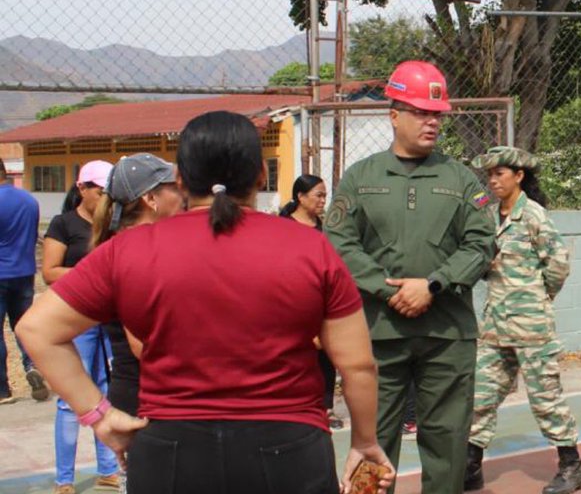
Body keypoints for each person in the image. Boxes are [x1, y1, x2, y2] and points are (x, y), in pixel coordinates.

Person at [17, 111, 393, 494]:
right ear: (262, 174)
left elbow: (36, 329)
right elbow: (358, 365)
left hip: (169, 450)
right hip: (288, 447)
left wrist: (98, 414)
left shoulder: (128, 250)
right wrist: (364, 441)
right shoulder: (311, 246)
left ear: (180, 178)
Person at [324, 60, 496, 490]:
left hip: (447, 334)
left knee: (447, 441)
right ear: (394, 113)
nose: (431, 122)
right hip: (378, 333)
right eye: (420, 112)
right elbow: (338, 243)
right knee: (371, 438)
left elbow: (481, 244)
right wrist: (387, 289)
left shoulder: (460, 179)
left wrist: (432, 285)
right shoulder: (361, 177)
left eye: (436, 114)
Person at [465, 146, 581, 494]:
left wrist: (535, 297)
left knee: (545, 399)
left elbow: (558, 264)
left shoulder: (533, 215)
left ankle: (572, 466)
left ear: (519, 176)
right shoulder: (489, 216)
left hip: (531, 327)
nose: (492, 180)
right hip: (495, 327)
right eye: (489, 174)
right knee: (479, 396)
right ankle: (471, 466)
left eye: (499, 173)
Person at [43, 160, 120, 494]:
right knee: (70, 398)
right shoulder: (63, 224)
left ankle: (107, 467)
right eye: (100, 191)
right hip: (77, 321)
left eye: (109, 193)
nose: (105, 199)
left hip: (108, 319)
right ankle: (65, 477)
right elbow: (50, 271)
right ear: (82, 188)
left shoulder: (113, 226)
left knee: (103, 393)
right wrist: (92, 277)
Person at [89, 154, 185, 418]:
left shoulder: (135, 246)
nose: (182, 195)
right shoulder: (133, 252)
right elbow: (142, 345)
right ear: (150, 199)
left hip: (152, 394)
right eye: (174, 188)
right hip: (150, 399)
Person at [281, 174, 344, 429]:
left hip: (321, 300)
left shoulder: (326, 228)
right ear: (301, 196)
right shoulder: (283, 226)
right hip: (291, 300)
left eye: (325, 196)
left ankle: (326, 408)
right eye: (318, 195)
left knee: (326, 354)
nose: (322, 200)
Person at [0, 156, 49, 405]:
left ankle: (2, 390)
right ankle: (32, 365)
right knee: (24, 325)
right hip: (25, 272)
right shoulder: (29, 201)